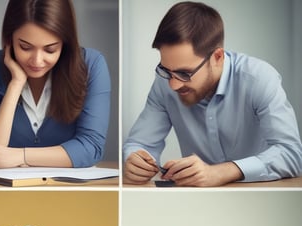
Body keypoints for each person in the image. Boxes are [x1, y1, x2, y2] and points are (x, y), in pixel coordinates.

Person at [122, 1, 302, 186]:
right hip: (195, 201)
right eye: (166, 70)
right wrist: (135, 161)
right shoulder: (164, 84)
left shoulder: (259, 78)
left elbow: (291, 154)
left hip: (261, 198)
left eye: (184, 73)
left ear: (217, 57)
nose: (174, 85)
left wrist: (222, 172)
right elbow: (139, 144)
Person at [0, 0, 111, 171]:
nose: (37, 61)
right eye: (25, 47)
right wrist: (16, 84)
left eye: (50, 50)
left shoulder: (92, 64)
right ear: (9, 39)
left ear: (65, 43)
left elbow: (91, 148)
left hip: (68, 190)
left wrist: (19, 156)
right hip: (5, 191)